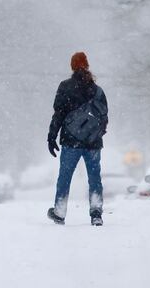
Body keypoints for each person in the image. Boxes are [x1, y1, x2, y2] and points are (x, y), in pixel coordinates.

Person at [46, 52, 108, 226]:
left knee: (65, 176)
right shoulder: (97, 90)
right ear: (87, 66)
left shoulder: (65, 87)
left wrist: (52, 136)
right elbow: (104, 118)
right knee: (94, 177)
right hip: (93, 143)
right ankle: (96, 213)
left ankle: (59, 212)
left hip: (70, 141)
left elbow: (58, 114)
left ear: (72, 66)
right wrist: (93, 134)